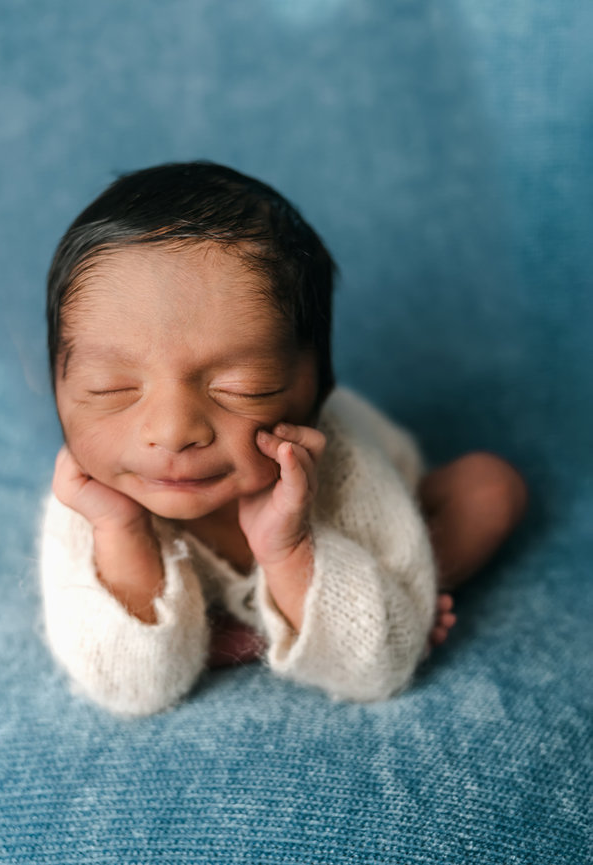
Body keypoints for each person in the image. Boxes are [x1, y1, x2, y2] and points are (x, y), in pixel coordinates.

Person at [40, 161, 528, 716]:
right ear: (59, 385)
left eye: (243, 388)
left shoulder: (343, 466)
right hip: (130, 532)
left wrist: (288, 547)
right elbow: (125, 690)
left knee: (492, 488)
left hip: (383, 518)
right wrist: (121, 531)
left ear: (317, 389)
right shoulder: (92, 496)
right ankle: (304, 618)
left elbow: (375, 669)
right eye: (111, 389)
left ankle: (394, 591)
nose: (172, 433)